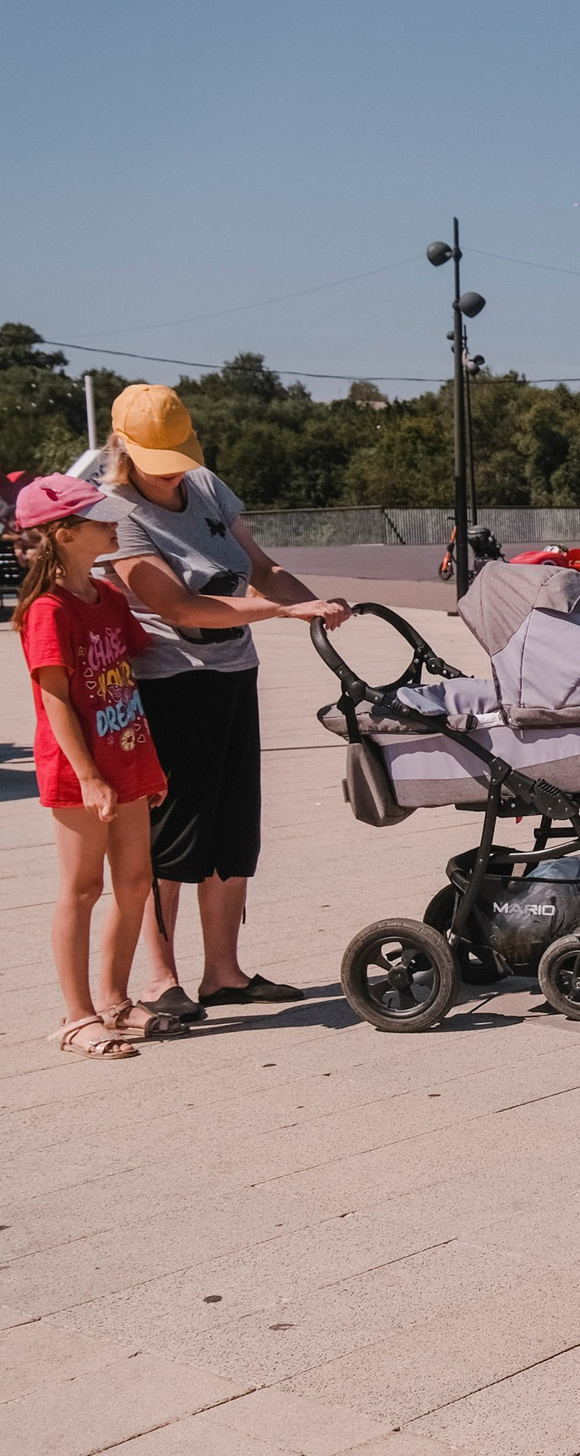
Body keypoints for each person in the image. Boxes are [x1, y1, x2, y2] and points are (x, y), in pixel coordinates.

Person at [97, 386, 350, 1021]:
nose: (171, 469)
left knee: (233, 828)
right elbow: (177, 606)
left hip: (233, 671)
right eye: (159, 458)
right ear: (123, 448)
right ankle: (160, 979)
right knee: (175, 834)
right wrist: (285, 610)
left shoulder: (207, 486)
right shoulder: (117, 512)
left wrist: (318, 603)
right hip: (168, 683)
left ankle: (223, 973)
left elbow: (262, 567)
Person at [14, 477, 174, 1060]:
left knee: (134, 885)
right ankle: (76, 1017)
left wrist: (146, 764)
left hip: (127, 759)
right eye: (99, 519)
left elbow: (130, 673)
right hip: (78, 770)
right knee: (81, 889)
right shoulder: (47, 612)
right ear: (64, 534)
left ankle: (113, 1000)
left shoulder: (106, 597)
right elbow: (55, 699)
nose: (113, 526)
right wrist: (88, 775)